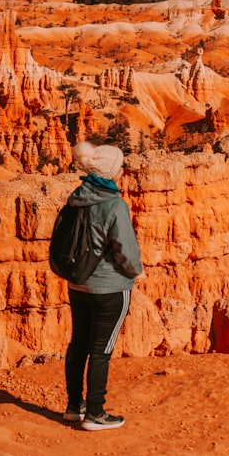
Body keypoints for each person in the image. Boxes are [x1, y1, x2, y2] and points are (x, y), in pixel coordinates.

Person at [62, 141, 143, 431]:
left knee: (78, 344)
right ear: (112, 171)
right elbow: (126, 250)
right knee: (101, 350)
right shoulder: (114, 205)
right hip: (109, 288)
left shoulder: (76, 197)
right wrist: (136, 272)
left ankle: (74, 407)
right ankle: (95, 413)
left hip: (78, 284)